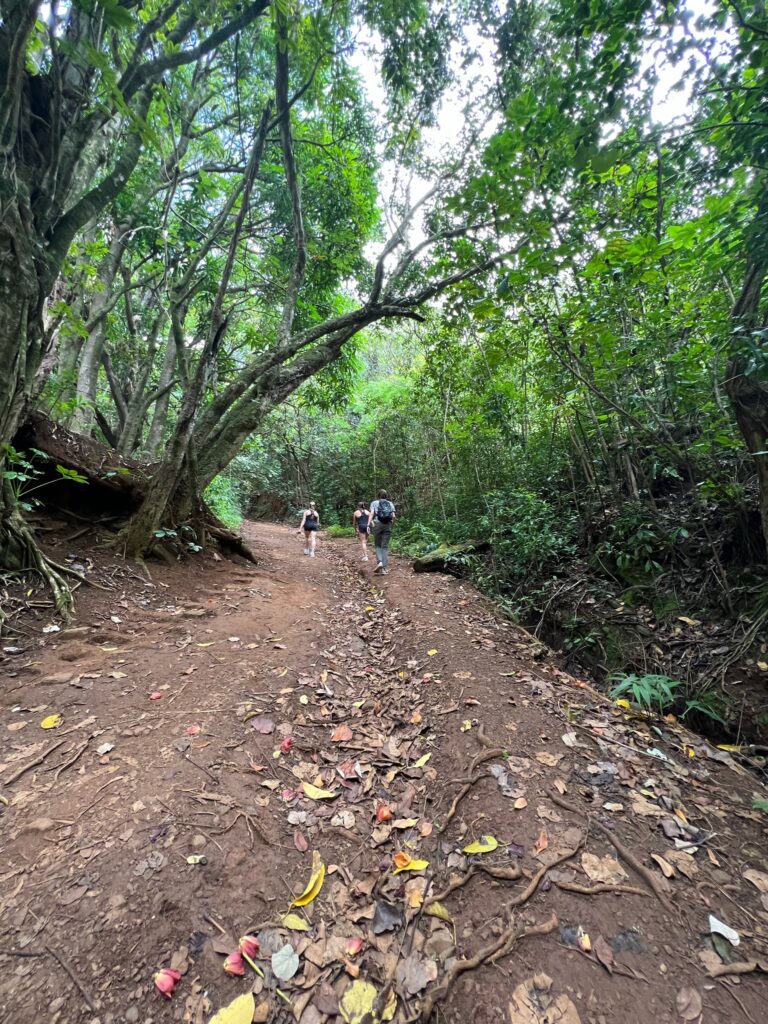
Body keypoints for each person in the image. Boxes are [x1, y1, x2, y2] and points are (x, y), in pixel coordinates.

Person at [369, 489, 395, 574]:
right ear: (386, 495)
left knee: (378, 545)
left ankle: (379, 562)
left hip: (377, 524)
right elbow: (393, 516)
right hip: (387, 525)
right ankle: (384, 568)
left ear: (378, 495)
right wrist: (391, 525)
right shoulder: (390, 503)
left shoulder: (374, 503)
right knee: (385, 546)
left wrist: (368, 524)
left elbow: (372, 514)